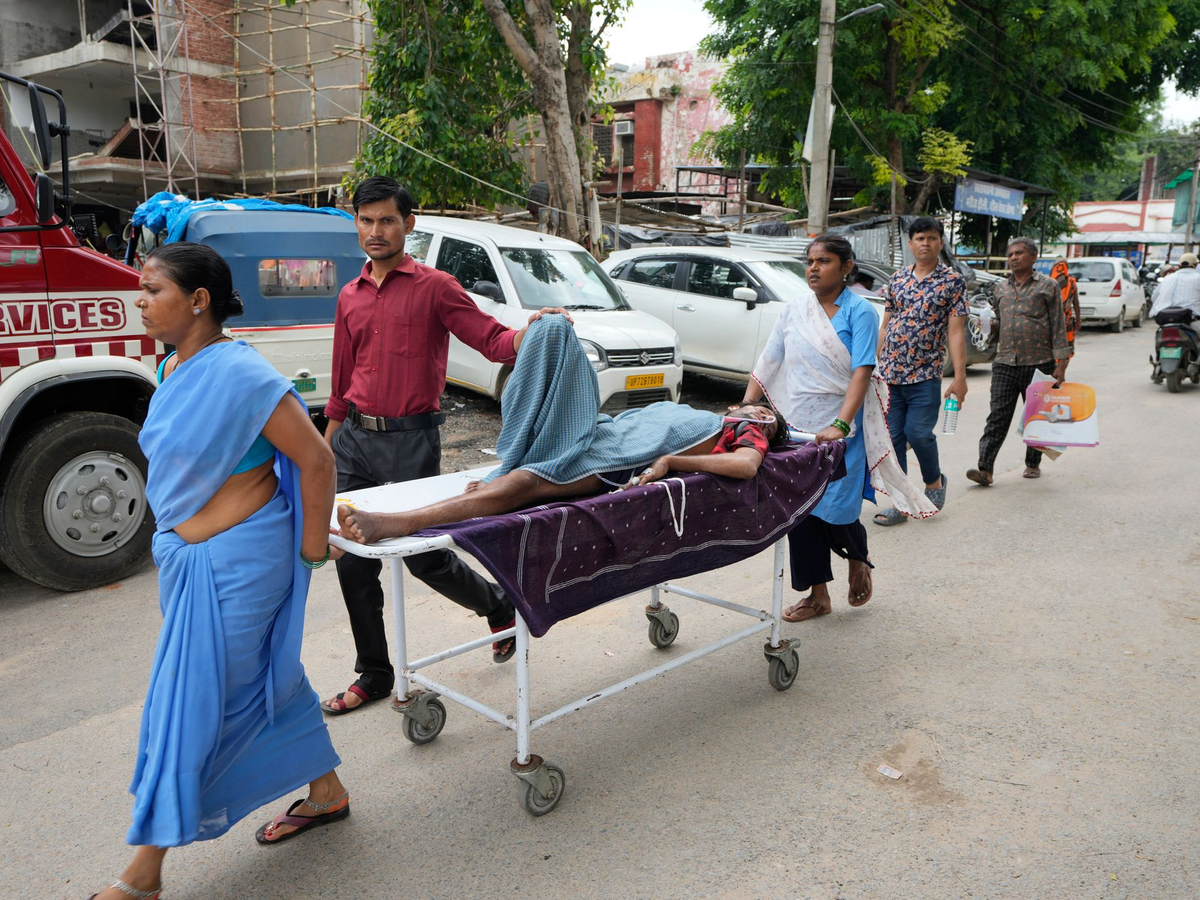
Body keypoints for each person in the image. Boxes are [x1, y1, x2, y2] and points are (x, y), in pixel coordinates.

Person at [91, 244, 348, 900]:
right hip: (191, 564)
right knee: (262, 678)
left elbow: (317, 461)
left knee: (190, 700)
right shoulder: (173, 366)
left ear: (198, 300)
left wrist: (313, 551)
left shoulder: (242, 374)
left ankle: (144, 870)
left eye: (153, 289)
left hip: (242, 565)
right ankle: (326, 789)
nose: (140, 301)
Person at [322, 176, 570, 714]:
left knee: (424, 557)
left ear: (408, 224)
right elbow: (340, 381)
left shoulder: (435, 287)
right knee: (352, 560)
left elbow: (491, 339)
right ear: (355, 224)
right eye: (366, 220)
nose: (375, 231)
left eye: (387, 220)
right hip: (354, 442)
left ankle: (498, 604)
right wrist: (327, 449)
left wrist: (531, 332)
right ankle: (374, 673)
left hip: (410, 443)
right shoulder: (349, 295)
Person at [335, 313, 790, 545]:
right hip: (599, 433)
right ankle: (512, 457)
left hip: (610, 460)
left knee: (522, 484)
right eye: (754, 410)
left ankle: (396, 523)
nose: (756, 414)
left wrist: (672, 461)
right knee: (553, 330)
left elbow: (747, 466)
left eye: (764, 416)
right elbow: (631, 423)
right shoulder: (706, 413)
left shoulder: (741, 427)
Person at [742, 234, 938, 623]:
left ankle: (857, 557)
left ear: (846, 267)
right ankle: (818, 596)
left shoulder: (859, 311)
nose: (813, 268)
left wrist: (841, 424)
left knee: (837, 510)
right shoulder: (794, 310)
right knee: (800, 512)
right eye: (810, 261)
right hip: (798, 427)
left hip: (842, 428)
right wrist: (747, 405)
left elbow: (862, 371)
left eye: (824, 261)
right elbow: (770, 358)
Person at [872, 217, 968, 526]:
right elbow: (886, 324)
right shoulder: (897, 279)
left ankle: (934, 482)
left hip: (925, 374)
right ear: (910, 243)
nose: (925, 243)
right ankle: (901, 503)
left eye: (931, 238)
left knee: (919, 433)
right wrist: (874, 365)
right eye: (920, 238)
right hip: (891, 374)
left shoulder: (953, 281)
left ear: (940, 242)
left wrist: (960, 378)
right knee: (894, 440)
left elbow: (955, 332)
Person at [967, 237, 1070, 486]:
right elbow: (999, 322)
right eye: (1010, 254)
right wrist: (989, 325)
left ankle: (1033, 463)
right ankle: (985, 469)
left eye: (1019, 253)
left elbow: (1058, 324)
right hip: (1005, 362)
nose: (1013, 258)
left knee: (1036, 416)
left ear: (1033, 257)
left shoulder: (1048, 286)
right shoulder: (1000, 288)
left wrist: (1062, 363)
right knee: (997, 416)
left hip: (1040, 362)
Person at [1149, 251, 1200, 318]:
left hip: (1164, 317)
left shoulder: (1168, 278)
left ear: (1179, 265)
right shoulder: (1198, 277)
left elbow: (1154, 297)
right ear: (1195, 265)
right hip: (1192, 317)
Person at [1049, 258, 1082, 355]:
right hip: (1067, 320)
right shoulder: (1071, 282)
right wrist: (1078, 319)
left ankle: (1054, 361)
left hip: (1051, 320)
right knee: (1066, 345)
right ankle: (1063, 362)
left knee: (1051, 345)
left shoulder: (1048, 283)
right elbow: (1076, 303)